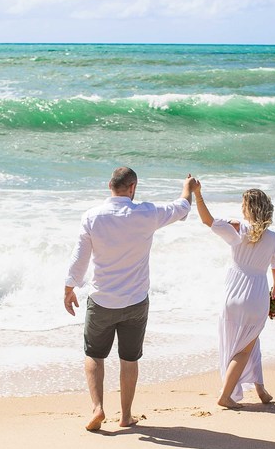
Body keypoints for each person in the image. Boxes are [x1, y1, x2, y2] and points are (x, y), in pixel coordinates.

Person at [65, 167, 196, 431]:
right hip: (135, 302)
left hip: (102, 300)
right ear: (133, 187)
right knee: (129, 359)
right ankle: (126, 416)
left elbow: (80, 257)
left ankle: (98, 408)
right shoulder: (146, 213)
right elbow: (182, 208)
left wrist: (69, 287)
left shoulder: (92, 217)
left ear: (109, 186)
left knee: (94, 354)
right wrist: (188, 186)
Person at [192, 181, 275, 409]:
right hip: (255, 294)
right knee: (245, 347)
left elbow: (207, 220)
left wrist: (198, 194)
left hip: (233, 293)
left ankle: (260, 389)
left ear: (249, 209)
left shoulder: (237, 228)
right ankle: (226, 396)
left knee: (248, 342)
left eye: (243, 204)